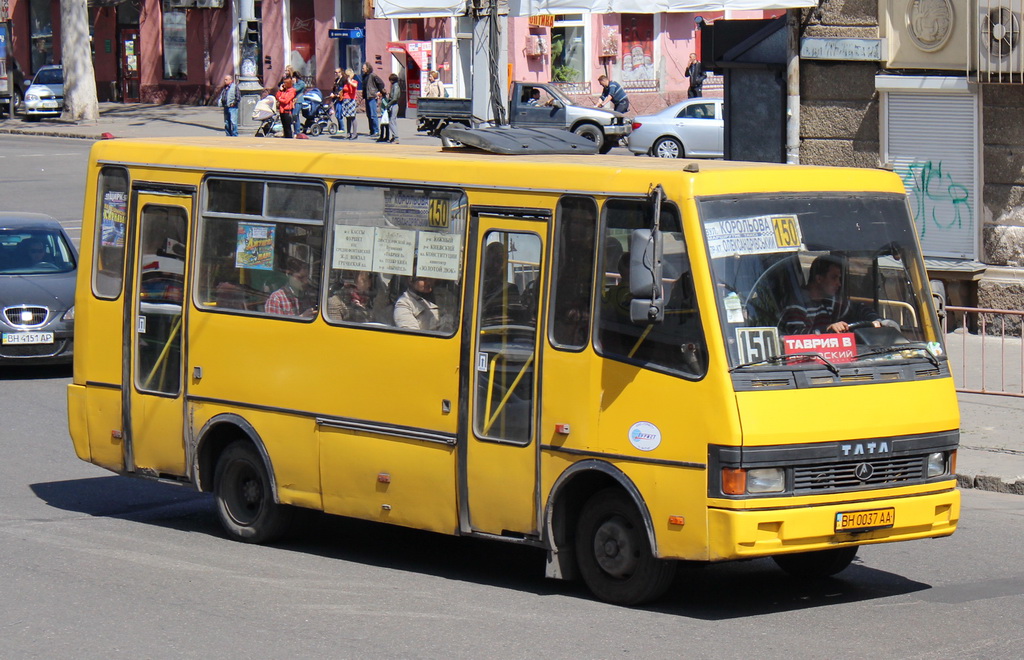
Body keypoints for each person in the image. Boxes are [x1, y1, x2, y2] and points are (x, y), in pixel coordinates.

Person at [779, 255, 881, 335]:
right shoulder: (795, 304)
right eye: (834, 278)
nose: (839, 283)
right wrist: (828, 329)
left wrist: (877, 321)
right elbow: (796, 336)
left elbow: (858, 309)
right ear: (819, 279)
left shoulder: (828, 302)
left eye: (839, 278)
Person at [361, 62, 386, 138]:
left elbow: (381, 83)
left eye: (363, 68)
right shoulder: (364, 76)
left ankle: (376, 131)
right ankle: (371, 130)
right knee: (368, 115)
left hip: (372, 97)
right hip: (367, 97)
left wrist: (378, 92)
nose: (362, 69)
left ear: (367, 68)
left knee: (373, 114)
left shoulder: (372, 75)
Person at [377, 73, 402, 144]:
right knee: (391, 120)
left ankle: (396, 137)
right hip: (393, 104)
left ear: (392, 80)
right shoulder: (394, 86)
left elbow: (394, 98)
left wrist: (388, 104)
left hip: (394, 105)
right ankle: (394, 136)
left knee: (392, 121)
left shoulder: (396, 86)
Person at [290, 70, 307, 137]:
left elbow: (295, 90)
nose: (292, 79)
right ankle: (296, 130)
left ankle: (297, 131)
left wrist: (293, 84)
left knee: (295, 115)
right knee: (294, 116)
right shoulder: (294, 83)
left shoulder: (301, 83)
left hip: (298, 101)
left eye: (293, 77)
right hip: (293, 101)